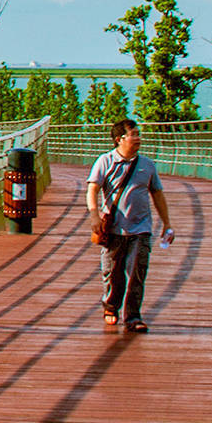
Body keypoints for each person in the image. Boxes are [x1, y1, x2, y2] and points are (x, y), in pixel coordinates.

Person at [87, 116, 174, 334]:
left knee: (137, 273)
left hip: (142, 229)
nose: (138, 138)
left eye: (138, 134)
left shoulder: (147, 165)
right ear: (119, 139)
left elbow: (158, 194)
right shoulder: (105, 161)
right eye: (133, 134)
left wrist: (166, 223)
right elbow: (93, 190)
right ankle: (111, 306)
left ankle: (133, 317)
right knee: (113, 274)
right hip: (115, 229)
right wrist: (94, 215)